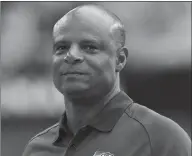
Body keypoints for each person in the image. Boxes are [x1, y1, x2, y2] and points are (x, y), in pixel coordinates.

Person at [22, 4, 191, 156]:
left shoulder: (161, 139)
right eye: (61, 47)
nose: (71, 55)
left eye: (89, 47)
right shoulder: (37, 148)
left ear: (120, 59)